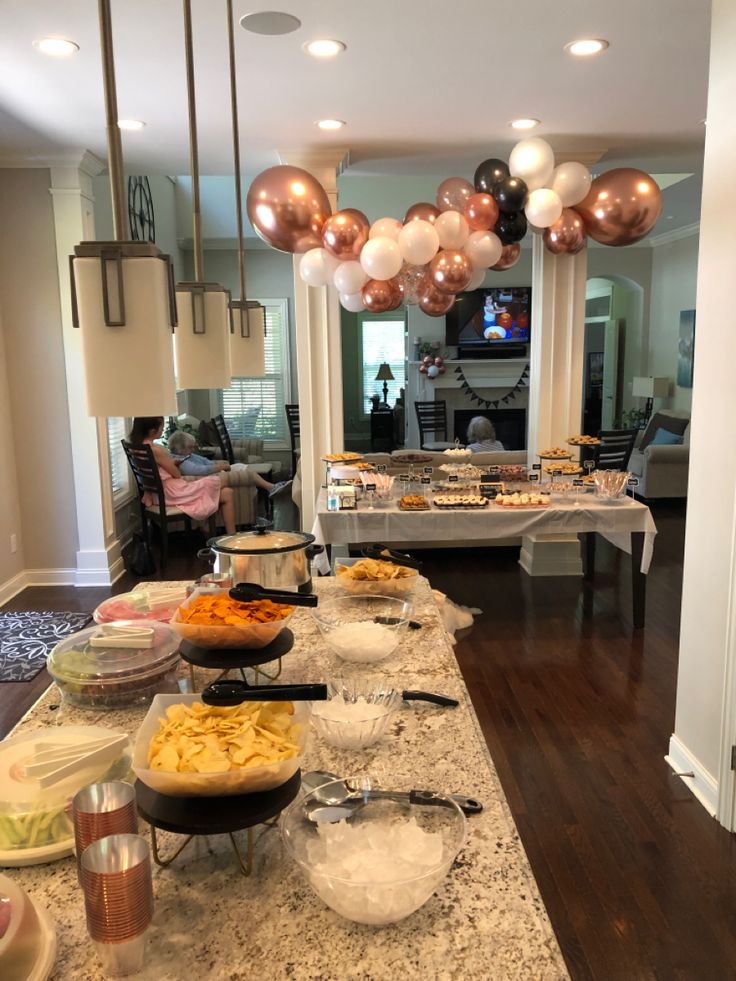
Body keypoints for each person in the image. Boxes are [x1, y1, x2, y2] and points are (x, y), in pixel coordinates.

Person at [128, 417, 237, 534]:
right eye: (161, 426)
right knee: (223, 480)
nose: (163, 429)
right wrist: (173, 465)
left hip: (159, 493)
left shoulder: (137, 447)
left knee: (227, 493)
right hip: (171, 493)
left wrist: (170, 464)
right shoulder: (155, 450)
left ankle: (227, 535)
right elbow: (177, 474)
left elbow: (160, 469)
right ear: (151, 431)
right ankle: (227, 536)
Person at [167, 430, 291, 498]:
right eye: (190, 447)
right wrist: (219, 467)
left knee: (242, 467)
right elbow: (199, 470)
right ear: (180, 449)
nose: (193, 449)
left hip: (213, 472)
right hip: (206, 478)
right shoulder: (181, 461)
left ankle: (271, 487)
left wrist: (219, 465)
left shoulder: (189, 455)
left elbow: (206, 462)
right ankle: (271, 487)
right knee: (246, 473)